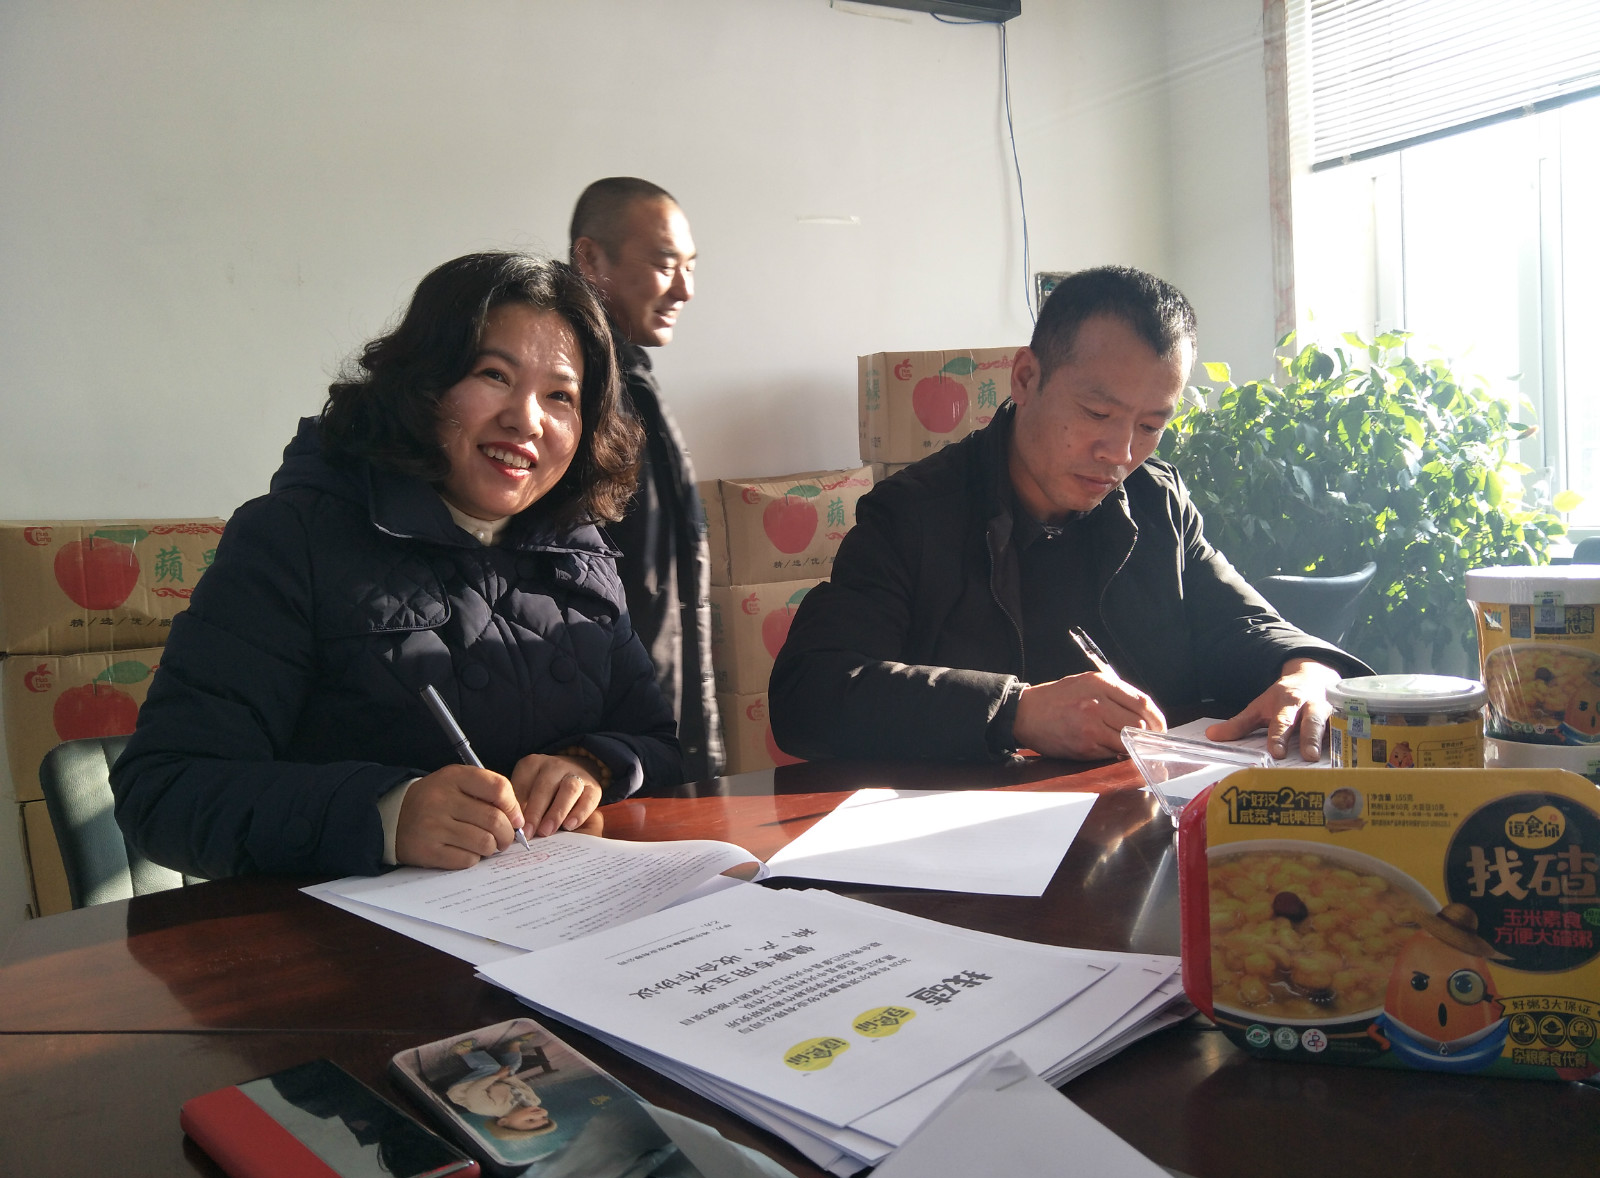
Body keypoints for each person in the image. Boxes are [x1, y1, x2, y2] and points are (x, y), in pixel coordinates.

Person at [113, 253, 683, 879]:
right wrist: (387, 814)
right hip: (346, 931)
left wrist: (589, 764)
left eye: (560, 396)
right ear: (424, 383)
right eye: (494, 375)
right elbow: (164, 792)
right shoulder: (292, 539)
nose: (527, 419)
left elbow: (656, 743)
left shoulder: (580, 552)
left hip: (550, 907)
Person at [769, 265, 1370, 764]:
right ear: (1026, 378)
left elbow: (1241, 623)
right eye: (1096, 413)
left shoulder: (1155, 501)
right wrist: (1015, 711)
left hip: (1139, 822)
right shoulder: (913, 515)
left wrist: (1308, 671)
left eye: (1150, 425)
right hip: (970, 843)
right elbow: (811, 694)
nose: (1121, 452)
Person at [569, 177, 724, 783]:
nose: (685, 288)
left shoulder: (629, 382)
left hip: (642, 737)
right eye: (664, 264)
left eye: (690, 266)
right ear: (589, 259)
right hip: (596, 755)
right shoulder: (574, 395)